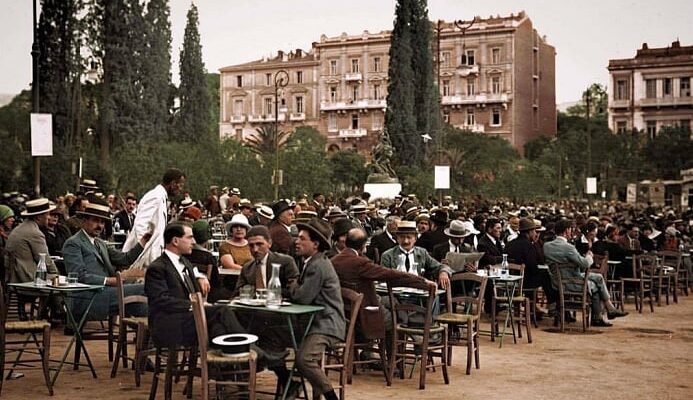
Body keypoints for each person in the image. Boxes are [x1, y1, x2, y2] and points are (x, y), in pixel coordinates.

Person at [144, 222, 246, 347]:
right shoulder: (157, 268)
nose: (193, 241)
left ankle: (222, 365)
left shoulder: (185, 262)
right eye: (189, 237)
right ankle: (251, 351)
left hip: (187, 319)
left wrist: (200, 277)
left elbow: (190, 274)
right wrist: (196, 305)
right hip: (169, 324)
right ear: (175, 241)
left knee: (218, 328)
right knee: (222, 311)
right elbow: (160, 300)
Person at [331, 227, 435, 349]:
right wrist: (422, 280)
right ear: (364, 245)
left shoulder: (334, 260)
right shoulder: (360, 263)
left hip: (343, 312)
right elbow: (391, 274)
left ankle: (371, 351)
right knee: (396, 317)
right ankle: (393, 362)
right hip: (362, 314)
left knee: (392, 302)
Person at [287, 218, 345, 400]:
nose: (297, 241)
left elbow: (301, 297)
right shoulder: (311, 262)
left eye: (302, 238)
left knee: (304, 360)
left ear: (315, 244)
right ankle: (289, 385)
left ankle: (330, 397)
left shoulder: (318, 265)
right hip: (314, 321)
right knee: (275, 339)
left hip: (327, 324)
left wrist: (294, 285)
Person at [62, 201, 150, 320]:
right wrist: (109, 281)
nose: (100, 226)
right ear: (84, 221)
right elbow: (78, 275)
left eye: (102, 222)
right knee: (145, 288)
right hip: (88, 297)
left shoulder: (100, 243)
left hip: (106, 293)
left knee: (143, 296)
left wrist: (143, 242)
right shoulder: (73, 243)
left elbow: (125, 259)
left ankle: (146, 333)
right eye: (95, 221)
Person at [544, 219, 628, 327]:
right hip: (571, 282)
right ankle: (600, 315)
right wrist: (589, 256)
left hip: (557, 281)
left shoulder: (547, 246)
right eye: (570, 230)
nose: (571, 232)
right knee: (596, 286)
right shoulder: (568, 247)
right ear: (566, 231)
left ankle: (608, 308)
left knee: (598, 277)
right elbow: (584, 264)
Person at [123, 168, 186, 270]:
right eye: (181, 185)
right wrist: (143, 256)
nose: (181, 189)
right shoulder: (155, 196)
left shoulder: (161, 197)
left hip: (151, 258)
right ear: (173, 184)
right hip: (143, 260)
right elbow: (141, 225)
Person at [505, 218, 557, 317]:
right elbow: (532, 266)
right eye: (534, 231)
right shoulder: (529, 246)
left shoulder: (510, 244)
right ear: (529, 232)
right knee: (545, 275)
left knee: (535, 275)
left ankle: (533, 307)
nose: (535, 234)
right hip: (524, 281)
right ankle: (552, 304)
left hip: (510, 279)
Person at [380, 220, 452, 290]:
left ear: (415, 238)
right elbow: (383, 279)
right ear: (397, 238)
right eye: (402, 237)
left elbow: (440, 266)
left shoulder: (422, 253)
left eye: (409, 237)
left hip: (420, 295)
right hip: (395, 295)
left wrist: (443, 272)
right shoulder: (388, 256)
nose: (405, 241)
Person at [6, 198, 59, 283]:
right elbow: (45, 260)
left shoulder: (20, 228)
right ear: (38, 217)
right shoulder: (35, 233)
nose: (49, 217)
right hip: (27, 278)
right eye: (48, 214)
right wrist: (56, 275)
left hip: (14, 276)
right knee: (62, 283)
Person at [184, 220, 226, 303]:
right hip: (204, 297)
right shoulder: (209, 257)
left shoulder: (183, 255)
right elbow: (215, 282)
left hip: (185, 295)